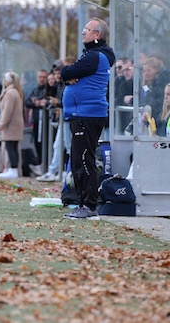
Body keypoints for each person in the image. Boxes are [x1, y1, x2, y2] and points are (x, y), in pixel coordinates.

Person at [62, 17, 115, 220]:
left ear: (97, 34)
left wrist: (68, 74)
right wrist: (69, 76)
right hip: (82, 114)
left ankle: (89, 206)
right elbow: (68, 74)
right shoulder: (93, 55)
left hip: (87, 115)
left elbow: (66, 71)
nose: (83, 32)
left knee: (84, 160)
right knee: (79, 160)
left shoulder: (95, 56)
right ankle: (83, 204)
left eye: (87, 29)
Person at [0, 71, 25, 179]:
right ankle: (14, 169)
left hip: (11, 124)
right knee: (14, 147)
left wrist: (1, 125)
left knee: (10, 147)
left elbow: (7, 111)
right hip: (16, 123)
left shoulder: (10, 93)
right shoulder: (16, 92)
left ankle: (13, 169)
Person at [24, 69, 48, 175]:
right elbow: (27, 102)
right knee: (37, 144)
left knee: (45, 143)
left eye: (44, 77)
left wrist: (38, 102)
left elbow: (45, 100)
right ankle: (40, 164)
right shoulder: (35, 90)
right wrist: (35, 103)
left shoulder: (48, 89)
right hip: (36, 120)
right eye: (40, 77)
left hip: (45, 121)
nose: (42, 79)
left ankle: (45, 164)